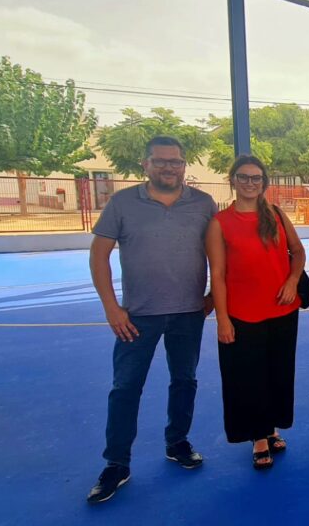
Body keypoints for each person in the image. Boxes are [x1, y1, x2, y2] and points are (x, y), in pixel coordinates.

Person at [86, 136, 217, 504]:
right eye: (160, 161)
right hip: (137, 317)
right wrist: (111, 307)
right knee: (125, 388)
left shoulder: (203, 204)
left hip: (189, 313)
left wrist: (211, 298)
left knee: (185, 380)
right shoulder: (123, 203)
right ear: (146, 164)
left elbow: (220, 253)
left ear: (184, 165)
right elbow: (99, 255)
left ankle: (177, 442)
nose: (168, 167)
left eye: (175, 161)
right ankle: (116, 463)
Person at [206, 154, 305, 470]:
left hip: (282, 310)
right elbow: (217, 274)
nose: (250, 183)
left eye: (256, 178)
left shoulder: (276, 214)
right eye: (244, 177)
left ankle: (271, 427)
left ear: (263, 183)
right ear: (233, 180)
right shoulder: (219, 223)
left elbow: (298, 252)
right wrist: (222, 318)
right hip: (242, 315)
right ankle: (258, 437)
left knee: (278, 374)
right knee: (249, 378)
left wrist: (292, 280)